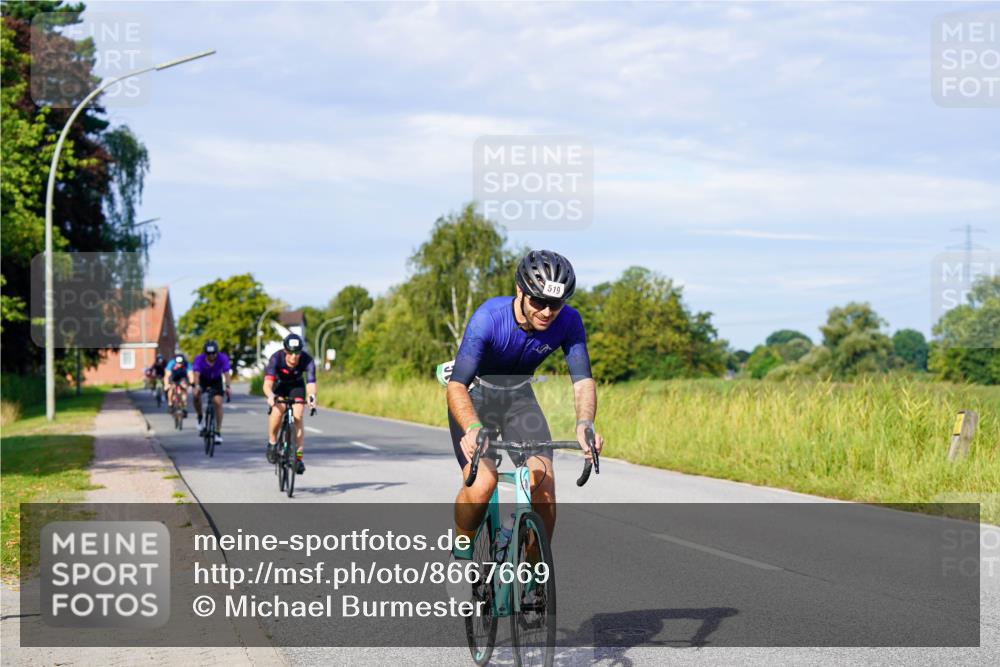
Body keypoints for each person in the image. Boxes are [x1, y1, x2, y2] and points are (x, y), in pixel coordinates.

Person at [447, 250, 604, 555]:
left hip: (519, 398)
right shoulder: (488, 319)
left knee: (543, 488)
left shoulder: (569, 321)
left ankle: (535, 576)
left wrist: (585, 423)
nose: (546, 312)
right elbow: (456, 385)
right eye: (538, 302)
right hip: (477, 396)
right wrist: (472, 428)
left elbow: (583, 381)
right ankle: (462, 550)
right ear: (520, 290)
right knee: (483, 484)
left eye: (555, 304)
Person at [262, 334, 317, 474]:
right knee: (277, 410)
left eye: (297, 353)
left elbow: (311, 383)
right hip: (279, 386)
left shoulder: (307, 360)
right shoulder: (276, 358)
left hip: (296, 386)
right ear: (285, 351)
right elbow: (267, 384)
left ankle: (298, 457)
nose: (294, 357)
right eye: (291, 353)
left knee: (298, 415)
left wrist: (311, 396)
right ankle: (272, 442)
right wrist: (270, 396)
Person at [192, 340, 232, 445]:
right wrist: (197, 386)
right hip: (203, 379)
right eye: (208, 354)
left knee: (218, 402)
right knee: (196, 394)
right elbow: (196, 374)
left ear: (217, 352)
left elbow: (226, 373)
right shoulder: (199, 359)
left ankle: (218, 432)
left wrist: (228, 387)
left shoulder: (222, 358)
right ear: (205, 353)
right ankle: (200, 416)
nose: (211, 356)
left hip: (216, 380)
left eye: (214, 353)